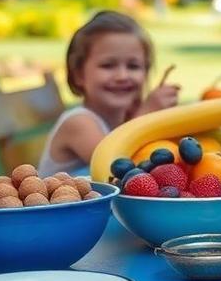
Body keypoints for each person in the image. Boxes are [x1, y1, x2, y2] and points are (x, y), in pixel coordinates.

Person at [39, 11, 180, 175]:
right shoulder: (78, 122)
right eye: (108, 65)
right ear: (79, 74)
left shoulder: (123, 121)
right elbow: (117, 169)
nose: (122, 76)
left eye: (133, 66)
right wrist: (147, 113)